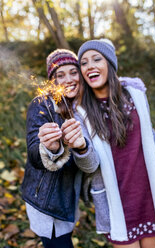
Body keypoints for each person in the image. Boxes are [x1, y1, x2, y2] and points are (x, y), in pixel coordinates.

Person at [76, 39, 155, 248]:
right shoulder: (81, 113)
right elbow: (90, 164)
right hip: (117, 199)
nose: (89, 66)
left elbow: (148, 129)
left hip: (148, 192)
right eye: (83, 63)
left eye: (96, 59)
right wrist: (80, 148)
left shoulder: (135, 94)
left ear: (109, 64)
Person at [21, 49, 99, 248]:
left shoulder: (83, 108)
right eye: (60, 75)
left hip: (67, 199)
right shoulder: (42, 105)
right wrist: (49, 147)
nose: (68, 79)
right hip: (46, 201)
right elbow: (33, 153)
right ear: (52, 81)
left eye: (73, 72)